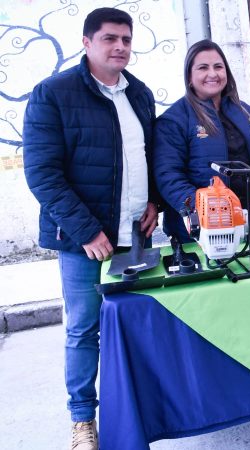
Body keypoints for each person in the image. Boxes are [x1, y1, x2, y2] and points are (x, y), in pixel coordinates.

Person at [22, 8, 159, 449]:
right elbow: (43, 174)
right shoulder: (53, 94)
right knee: (84, 329)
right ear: (87, 42)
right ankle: (83, 421)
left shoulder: (138, 93)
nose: (119, 46)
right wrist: (86, 231)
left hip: (133, 236)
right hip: (83, 241)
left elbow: (147, 154)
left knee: (134, 323)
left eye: (125, 39)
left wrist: (153, 200)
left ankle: (135, 410)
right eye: (109, 39)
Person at [154, 40, 250, 242]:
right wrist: (204, 209)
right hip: (202, 234)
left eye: (218, 66)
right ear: (189, 77)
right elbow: (168, 176)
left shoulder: (248, 113)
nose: (213, 74)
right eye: (203, 68)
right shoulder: (174, 120)